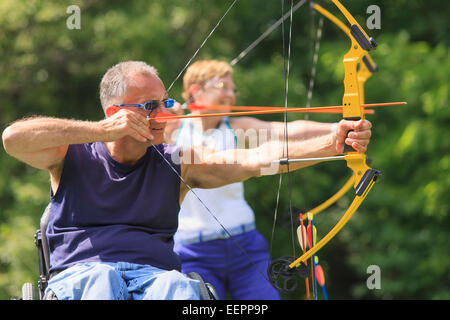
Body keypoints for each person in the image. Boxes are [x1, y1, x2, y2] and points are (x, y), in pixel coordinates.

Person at [1, 60, 372, 300]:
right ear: (116, 113)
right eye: (152, 107)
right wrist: (99, 130)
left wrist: (333, 142)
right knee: (101, 283)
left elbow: (253, 160)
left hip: (156, 280)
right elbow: (12, 139)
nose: (167, 114)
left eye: (166, 102)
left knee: (178, 290)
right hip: (84, 278)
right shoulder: (70, 156)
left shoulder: (179, 163)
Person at [164, 60, 349, 300]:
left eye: (233, 89)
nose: (231, 95)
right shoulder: (173, 130)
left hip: (245, 244)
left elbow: (288, 130)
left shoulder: (236, 127)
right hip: (192, 252)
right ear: (195, 91)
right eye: (223, 86)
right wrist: (168, 126)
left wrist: (339, 129)